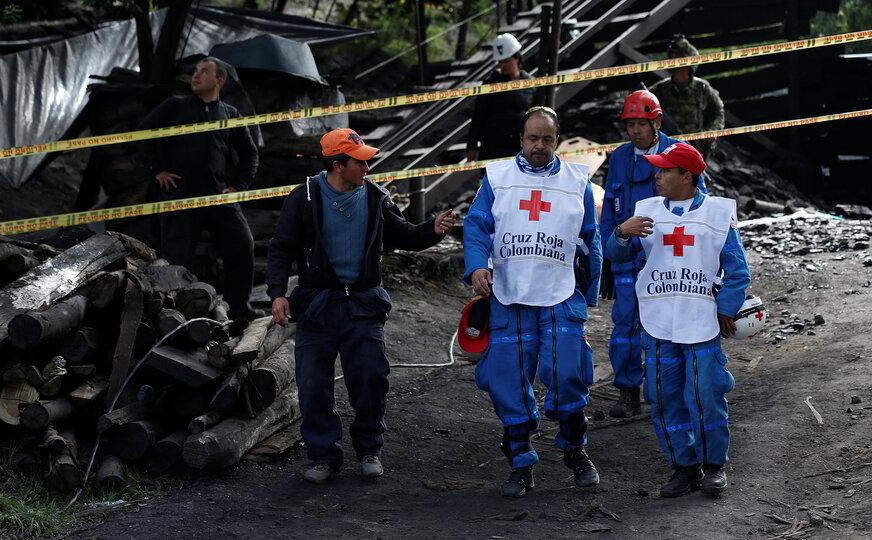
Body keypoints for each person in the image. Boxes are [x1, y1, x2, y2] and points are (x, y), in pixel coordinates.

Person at [265, 128, 456, 484]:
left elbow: (405, 236)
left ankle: (369, 449)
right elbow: (281, 248)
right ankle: (324, 456)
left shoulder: (376, 198)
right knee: (312, 385)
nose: (368, 166)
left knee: (371, 378)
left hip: (363, 306)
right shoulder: (303, 197)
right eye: (361, 161)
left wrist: (433, 229)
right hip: (317, 305)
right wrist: (277, 292)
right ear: (338, 165)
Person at [463, 107, 602, 497]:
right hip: (509, 292)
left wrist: (587, 294)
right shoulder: (497, 178)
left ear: (557, 139)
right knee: (507, 377)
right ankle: (521, 462)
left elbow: (591, 239)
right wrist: (476, 267)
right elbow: (476, 227)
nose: (539, 146)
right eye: (532, 138)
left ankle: (576, 450)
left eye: (547, 138)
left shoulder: (578, 180)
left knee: (568, 370)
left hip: (560, 291)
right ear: (521, 140)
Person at [604, 142, 750, 497]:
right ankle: (684, 468)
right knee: (663, 397)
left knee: (705, 394)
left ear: (687, 177)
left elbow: (738, 270)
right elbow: (614, 256)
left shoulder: (717, 214)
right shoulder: (646, 212)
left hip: (701, 322)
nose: (657, 176)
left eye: (666, 170)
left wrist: (725, 309)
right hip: (658, 321)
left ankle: (714, 466)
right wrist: (623, 233)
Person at [599, 90, 707, 419]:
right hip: (628, 258)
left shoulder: (679, 153)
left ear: (657, 122)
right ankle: (628, 391)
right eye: (629, 125)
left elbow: (701, 205)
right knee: (625, 325)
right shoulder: (618, 158)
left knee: (669, 326)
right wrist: (607, 252)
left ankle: (665, 390)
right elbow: (608, 212)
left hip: (668, 259)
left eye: (641, 124)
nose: (634, 131)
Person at [137, 57, 261, 319]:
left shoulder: (230, 114)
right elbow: (142, 132)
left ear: (218, 82)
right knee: (175, 258)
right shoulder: (175, 106)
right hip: (180, 194)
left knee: (242, 244)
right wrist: (156, 170)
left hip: (217, 195)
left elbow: (250, 154)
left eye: (203, 72)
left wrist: (238, 186)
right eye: (195, 71)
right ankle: (171, 314)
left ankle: (239, 307)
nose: (196, 76)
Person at [650, 35, 725, 158]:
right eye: (671, 57)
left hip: (695, 150)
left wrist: (713, 130)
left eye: (676, 57)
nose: (671, 60)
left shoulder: (702, 88)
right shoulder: (660, 89)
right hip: (666, 149)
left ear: (688, 61)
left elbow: (718, 111)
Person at [466, 33, 536, 163]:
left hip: (519, 149)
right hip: (492, 149)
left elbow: (538, 116)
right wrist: (472, 146)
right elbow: (478, 116)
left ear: (517, 58)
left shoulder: (530, 84)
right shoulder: (491, 83)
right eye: (499, 62)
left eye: (506, 61)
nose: (502, 65)